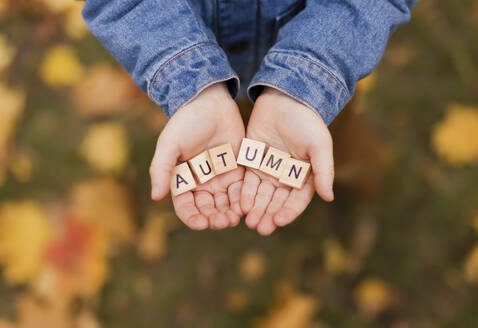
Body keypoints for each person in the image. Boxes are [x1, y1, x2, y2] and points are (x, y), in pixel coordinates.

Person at [82, 0, 417, 235]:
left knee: (338, 148)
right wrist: (187, 83)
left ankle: (356, 180)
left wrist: (312, 77)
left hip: (315, 83)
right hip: (196, 68)